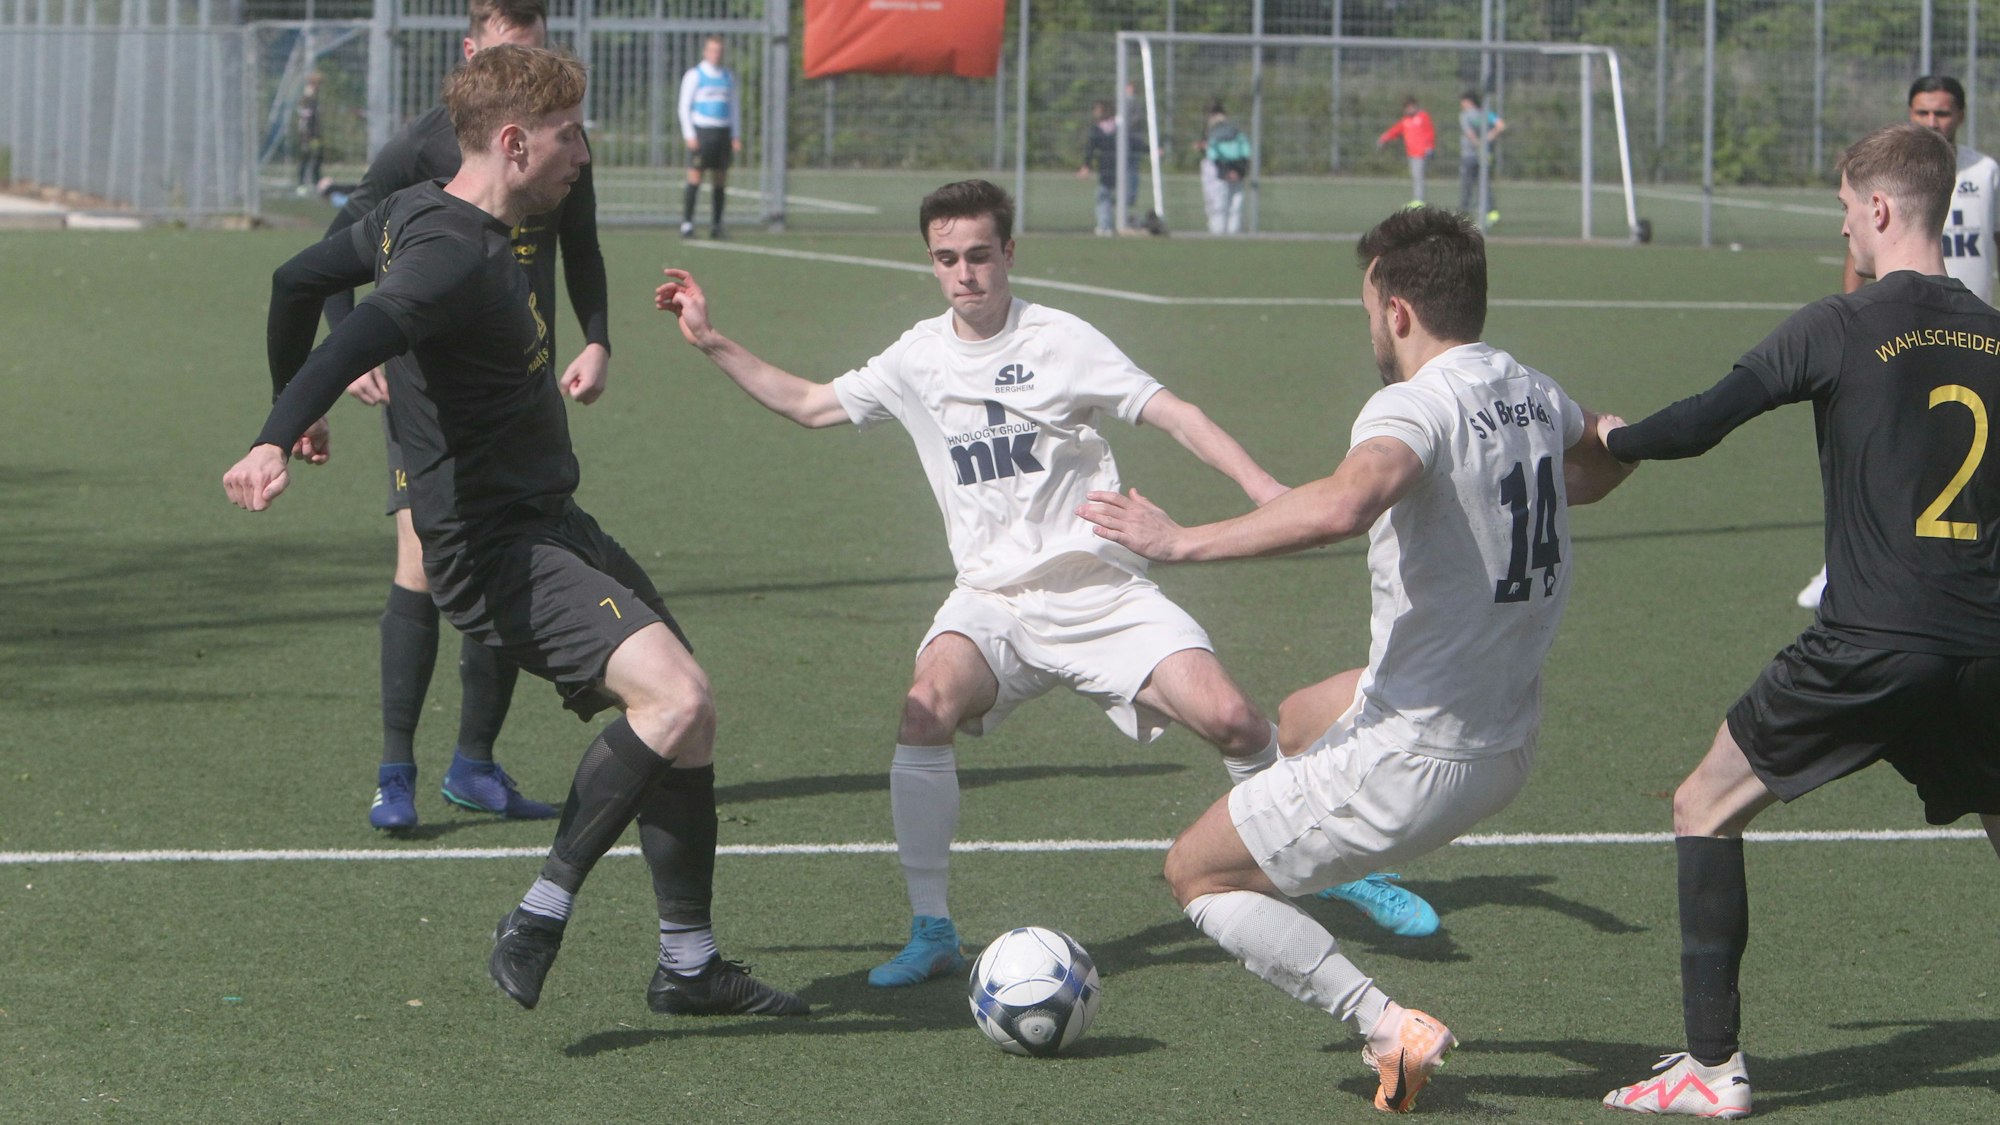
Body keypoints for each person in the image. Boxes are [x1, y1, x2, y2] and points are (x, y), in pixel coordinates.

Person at [655, 179, 1439, 990]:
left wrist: (1261, 487)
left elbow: (1173, 412)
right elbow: (812, 404)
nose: (965, 274)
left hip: (1100, 592)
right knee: (925, 707)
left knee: (1235, 720)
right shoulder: (916, 357)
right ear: (933, 262)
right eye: (947, 259)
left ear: (1009, 254)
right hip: (994, 602)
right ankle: (932, 931)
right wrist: (712, 340)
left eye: (980, 256)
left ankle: (1328, 858)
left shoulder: (1063, 340)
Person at [225, 44, 806, 1020]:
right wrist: (277, 433)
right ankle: (539, 910)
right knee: (673, 699)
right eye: (567, 135)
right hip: (492, 546)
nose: (581, 153)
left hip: (548, 520)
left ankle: (689, 965)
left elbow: (295, 280)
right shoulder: (452, 254)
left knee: (690, 719)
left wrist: (294, 403)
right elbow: (361, 332)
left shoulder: (416, 216)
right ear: (511, 141)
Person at [1078, 206, 1635, 1113]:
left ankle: (1385, 1024)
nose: (1368, 325)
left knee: (1197, 871)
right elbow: (1595, 467)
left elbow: (1347, 502)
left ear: (1401, 310)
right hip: (1505, 731)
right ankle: (1314, 835)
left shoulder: (1413, 403)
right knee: (1298, 716)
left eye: (1369, 306)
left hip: (1423, 753)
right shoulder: (1530, 388)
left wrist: (1179, 542)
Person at [1600, 121, 2000, 1118]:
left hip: (1868, 641)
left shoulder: (1839, 321)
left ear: (1873, 209)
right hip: (1985, 645)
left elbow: (1696, 426)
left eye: (1841, 210)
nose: (1844, 229)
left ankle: (1710, 1067)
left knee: (1703, 801)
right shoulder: (1994, 335)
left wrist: (1612, 435)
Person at [321, 0, 612, 833]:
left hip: (519, 384)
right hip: (432, 388)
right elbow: (339, 249)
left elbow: (583, 246)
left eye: (537, 51)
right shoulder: (423, 147)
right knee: (422, 558)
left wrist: (596, 339)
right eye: (508, 53)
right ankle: (394, 771)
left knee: (513, 554)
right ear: (472, 50)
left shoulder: (561, 140)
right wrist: (357, 348)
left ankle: (475, 764)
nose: (524, 73)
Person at [1797, 73, 2000, 610]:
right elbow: (1859, 251)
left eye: (1943, 113)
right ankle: (1837, 567)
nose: (1933, 122)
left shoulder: (1985, 171)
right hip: (1904, 332)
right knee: (1888, 449)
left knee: (1961, 455)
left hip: (1969, 336)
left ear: (1959, 115)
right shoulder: (1895, 171)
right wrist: (1854, 316)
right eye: (1923, 113)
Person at [677, 35, 741, 239]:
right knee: (695, 176)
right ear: (705, 52)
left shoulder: (728, 76)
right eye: (712, 50)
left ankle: (716, 224)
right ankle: (687, 223)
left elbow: (734, 108)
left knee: (720, 179)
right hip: (702, 131)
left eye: (719, 51)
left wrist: (735, 135)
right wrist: (690, 134)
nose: (716, 54)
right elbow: (684, 107)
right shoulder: (695, 75)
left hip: (722, 132)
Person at [1079, 101, 1143, 236]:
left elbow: (1135, 143)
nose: (1095, 113)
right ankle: (1105, 226)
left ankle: (1122, 221)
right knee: (1103, 196)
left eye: (1098, 110)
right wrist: (1086, 166)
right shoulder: (1097, 129)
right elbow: (1090, 149)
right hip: (1106, 169)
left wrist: (1152, 149)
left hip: (1123, 169)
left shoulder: (1120, 128)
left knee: (1123, 197)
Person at [1203, 101, 1251, 235]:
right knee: (1235, 204)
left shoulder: (1214, 134)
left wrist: (1226, 171)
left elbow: (1213, 155)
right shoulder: (1237, 132)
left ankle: (1218, 231)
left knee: (1220, 204)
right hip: (1236, 169)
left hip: (1222, 171)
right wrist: (1238, 171)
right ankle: (1233, 231)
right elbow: (1246, 153)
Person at [1378, 96, 1436, 208]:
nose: (1409, 110)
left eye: (1411, 107)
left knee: (1418, 176)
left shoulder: (1423, 116)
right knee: (1415, 176)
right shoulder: (1406, 120)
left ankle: (1419, 201)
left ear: (1415, 106)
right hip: (1411, 153)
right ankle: (1417, 199)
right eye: (1407, 108)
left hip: (1421, 153)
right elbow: (1395, 130)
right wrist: (1384, 138)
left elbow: (1430, 132)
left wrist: (1430, 147)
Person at [1458, 90, 1506, 224]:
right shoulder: (1486, 113)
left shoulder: (1465, 115)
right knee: (1484, 184)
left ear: (1469, 102)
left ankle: (1464, 213)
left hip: (1470, 155)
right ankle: (1491, 213)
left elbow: (1469, 134)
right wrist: (1488, 138)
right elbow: (1501, 125)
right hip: (1484, 155)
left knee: (1467, 184)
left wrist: (1478, 143)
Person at [295, 71, 325, 195]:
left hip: (315, 133)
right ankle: (301, 184)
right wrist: (306, 133)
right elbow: (305, 117)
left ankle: (316, 182)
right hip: (307, 133)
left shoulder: (315, 97)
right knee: (305, 156)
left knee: (317, 156)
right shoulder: (307, 97)